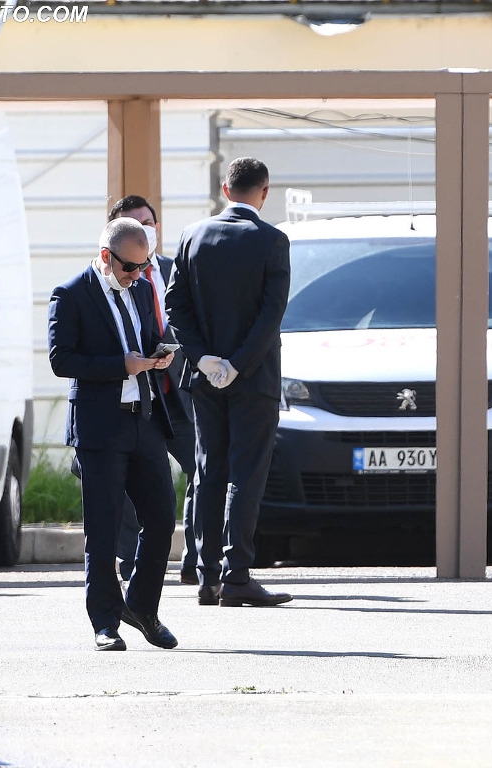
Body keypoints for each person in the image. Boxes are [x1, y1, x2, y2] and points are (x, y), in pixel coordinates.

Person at [166, 157, 293, 608]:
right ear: (265, 192)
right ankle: (237, 574)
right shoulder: (273, 240)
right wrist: (238, 364)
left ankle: (207, 576)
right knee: (246, 473)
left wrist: (204, 359)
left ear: (225, 189)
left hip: (204, 378)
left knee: (208, 471)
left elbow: (175, 306)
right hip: (254, 378)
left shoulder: (192, 235)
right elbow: (271, 315)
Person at [48, 217, 179, 651]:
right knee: (103, 529)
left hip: (145, 419)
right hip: (100, 426)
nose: (137, 275)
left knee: (161, 519)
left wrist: (158, 355)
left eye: (144, 266)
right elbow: (62, 360)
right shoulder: (71, 294)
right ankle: (105, 623)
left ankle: (141, 606)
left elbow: (148, 336)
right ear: (106, 256)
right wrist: (121, 365)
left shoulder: (140, 289)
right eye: (129, 267)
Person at [107, 195, 201, 587]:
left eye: (147, 224)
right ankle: (131, 565)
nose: (143, 231)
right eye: (133, 225)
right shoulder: (104, 279)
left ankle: (197, 560)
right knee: (132, 484)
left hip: (176, 393)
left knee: (202, 469)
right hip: (134, 398)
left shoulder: (175, 269)